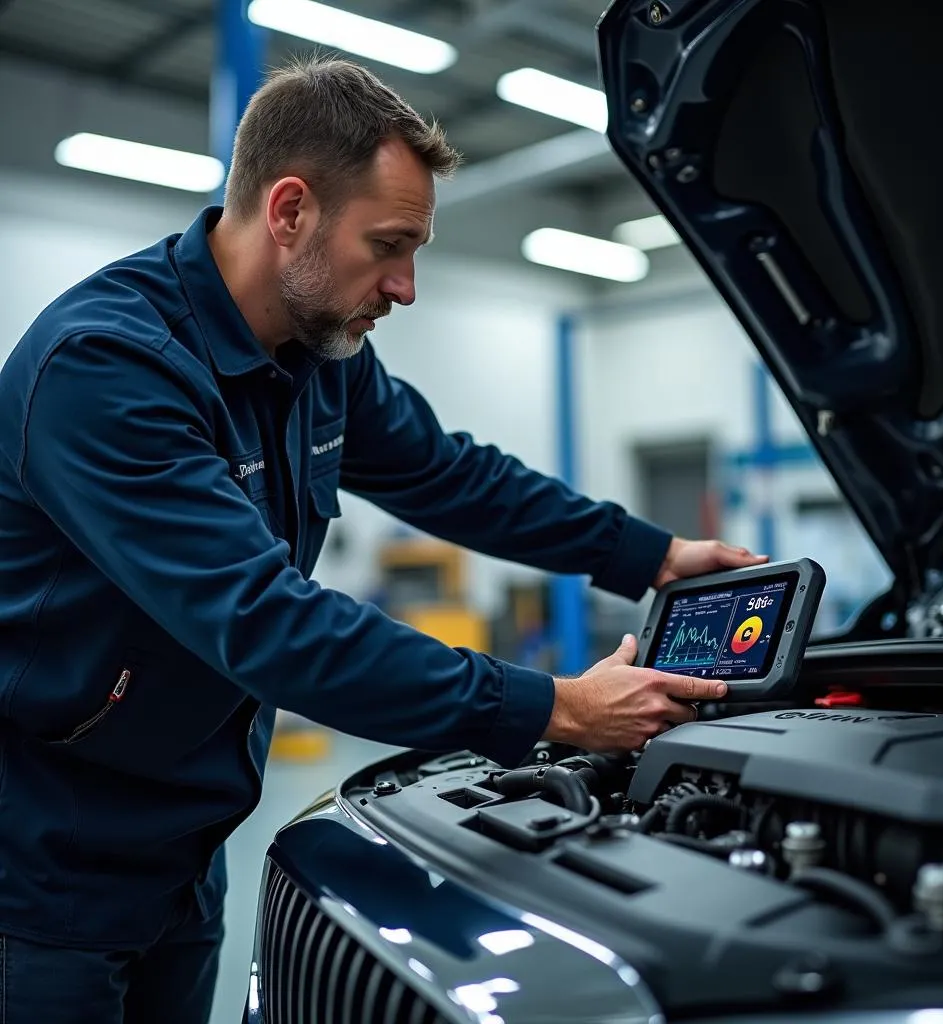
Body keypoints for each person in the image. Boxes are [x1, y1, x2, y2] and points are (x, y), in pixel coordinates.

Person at [0, 56, 765, 1022]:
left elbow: (450, 475)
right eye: (389, 245)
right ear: (290, 212)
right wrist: (554, 707)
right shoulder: (108, 369)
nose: (405, 287)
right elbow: (269, 625)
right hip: (37, 873)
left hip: (182, 854)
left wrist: (651, 557)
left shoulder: (317, 355)